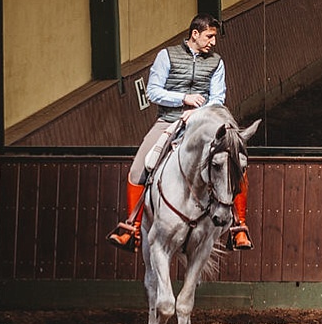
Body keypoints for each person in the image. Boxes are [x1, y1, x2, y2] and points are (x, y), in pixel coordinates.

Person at [106, 14, 253, 252]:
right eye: (209, 36)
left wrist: (197, 112)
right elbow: (153, 91)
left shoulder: (216, 62)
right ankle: (131, 227)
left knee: (235, 165)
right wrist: (183, 99)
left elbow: (218, 98)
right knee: (138, 169)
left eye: (214, 37)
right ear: (195, 34)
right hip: (169, 120)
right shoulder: (166, 56)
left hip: (204, 123)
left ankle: (239, 227)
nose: (213, 42)